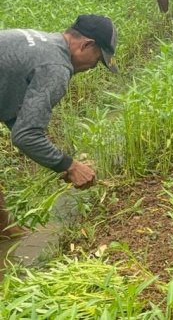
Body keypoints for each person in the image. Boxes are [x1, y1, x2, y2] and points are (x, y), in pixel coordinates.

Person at [0, 15, 116, 238]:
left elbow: (14, 113)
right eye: (98, 59)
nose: (93, 67)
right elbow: (25, 135)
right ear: (87, 45)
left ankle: (7, 235)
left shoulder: (45, 42)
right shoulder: (57, 66)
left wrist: (58, 162)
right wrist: (71, 166)